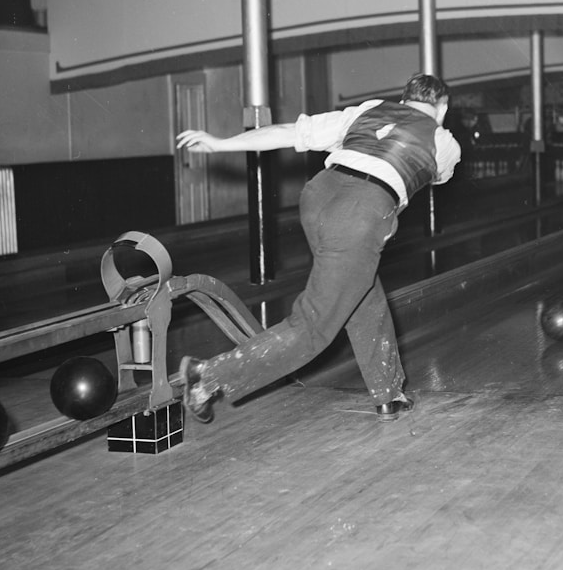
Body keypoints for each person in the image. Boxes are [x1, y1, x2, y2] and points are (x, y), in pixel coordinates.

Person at [175, 73, 461, 423]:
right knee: (316, 324)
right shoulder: (444, 140)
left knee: (363, 293)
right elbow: (440, 175)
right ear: (442, 108)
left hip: (318, 195)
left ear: (402, 99)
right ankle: (207, 376)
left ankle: (388, 393)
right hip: (362, 210)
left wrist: (220, 144)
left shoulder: (368, 109)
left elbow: (288, 132)